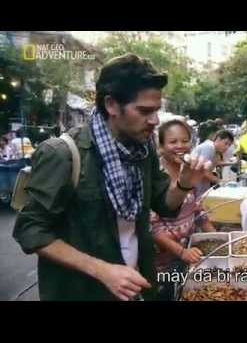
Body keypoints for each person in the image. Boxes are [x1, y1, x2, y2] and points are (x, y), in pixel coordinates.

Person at [13, 54, 212, 301]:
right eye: (144, 110)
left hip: (138, 286)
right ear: (111, 105)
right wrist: (102, 270)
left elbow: (163, 204)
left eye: (156, 110)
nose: (154, 120)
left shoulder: (143, 148)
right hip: (83, 292)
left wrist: (184, 183)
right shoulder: (63, 154)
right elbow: (31, 231)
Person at [150, 119, 216, 300]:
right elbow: (152, 228)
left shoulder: (187, 169)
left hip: (187, 251)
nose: (180, 146)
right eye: (173, 142)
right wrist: (181, 252)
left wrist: (220, 239)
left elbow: (197, 209)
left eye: (185, 140)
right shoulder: (155, 175)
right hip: (162, 262)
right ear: (161, 146)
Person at [192, 129, 234, 196]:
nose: (227, 147)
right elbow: (205, 173)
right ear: (218, 139)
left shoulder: (213, 149)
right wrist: (222, 181)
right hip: (195, 188)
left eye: (229, 145)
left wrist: (232, 163)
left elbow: (215, 163)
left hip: (201, 186)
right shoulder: (209, 148)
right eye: (226, 143)